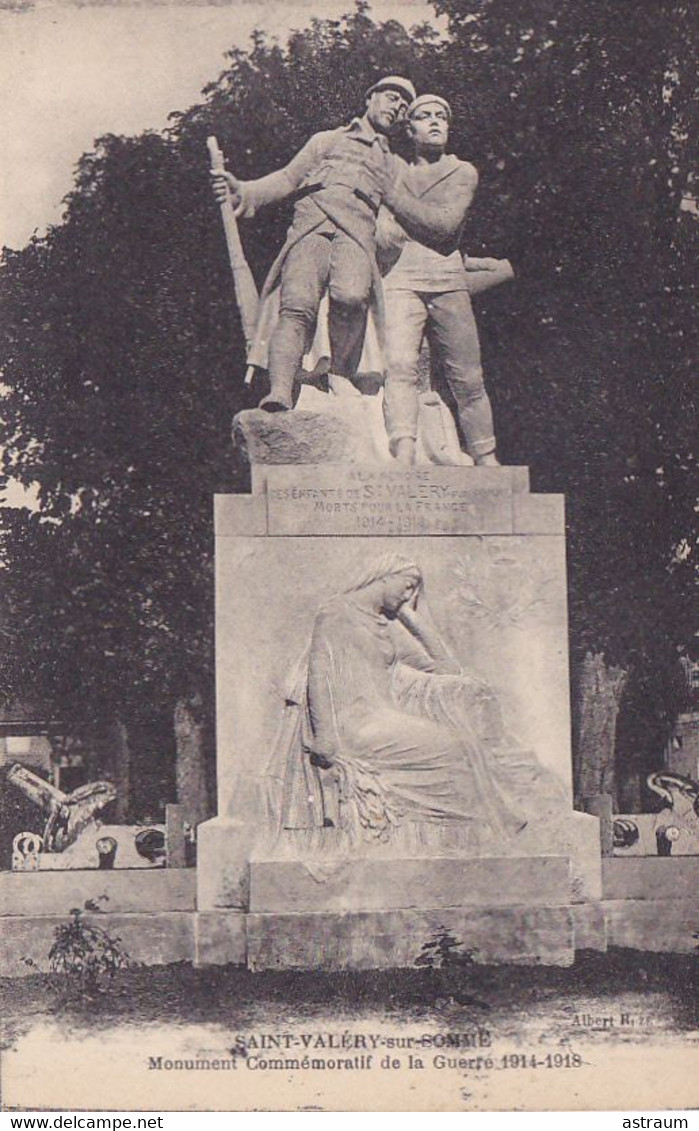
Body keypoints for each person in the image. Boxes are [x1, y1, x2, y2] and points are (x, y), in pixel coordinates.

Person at [264, 554, 568, 852]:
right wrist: (325, 737)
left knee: (462, 743)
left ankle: (493, 826)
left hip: (384, 718)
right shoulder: (336, 613)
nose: (409, 594)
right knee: (456, 747)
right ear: (383, 576)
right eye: (406, 585)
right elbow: (319, 675)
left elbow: (447, 670)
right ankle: (490, 827)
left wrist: (412, 617)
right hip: (355, 726)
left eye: (414, 590)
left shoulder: (383, 624)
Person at [211, 76, 417, 412]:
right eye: (393, 98)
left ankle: (338, 376)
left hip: (357, 233)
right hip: (311, 223)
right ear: (370, 98)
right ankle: (279, 391)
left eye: (405, 107)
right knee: (296, 306)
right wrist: (245, 192)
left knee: (351, 297)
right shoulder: (327, 140)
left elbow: (405, 215)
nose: (398, 108)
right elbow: (288, 178)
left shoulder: (394, 165)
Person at [379, 94, 501, 466]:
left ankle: (485, 454)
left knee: (466, 375)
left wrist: (392, 199)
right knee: (399, 367)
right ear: (409, 128)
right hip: (400, 278)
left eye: (441, 117)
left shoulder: (462, 171)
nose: (435, 122)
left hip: (447, 279)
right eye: (424, 116)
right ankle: (403, 450)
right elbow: (383, 230)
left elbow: (444, 226)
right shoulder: (394, 170)